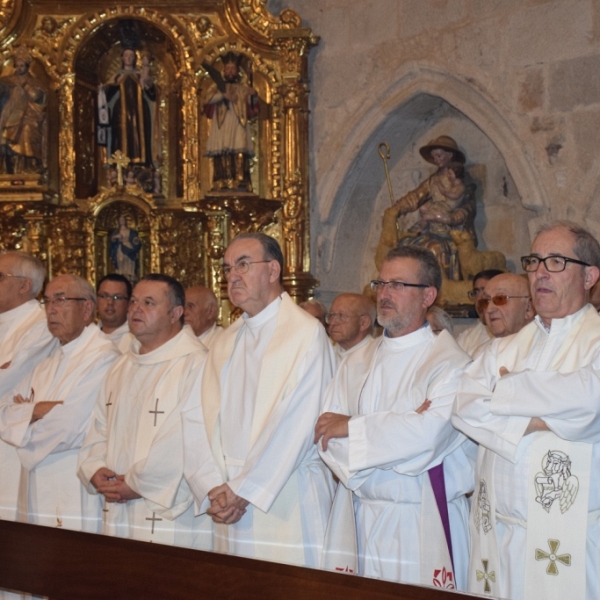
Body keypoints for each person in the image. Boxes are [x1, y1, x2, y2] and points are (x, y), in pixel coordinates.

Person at [452, 221, 600, 600]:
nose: (539, 273)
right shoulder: (505, 347)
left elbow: (589, 399)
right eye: (534, 262)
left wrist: (505, 389)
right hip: (499, 533)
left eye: (555, 262)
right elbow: (464, 406)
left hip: (571, 537)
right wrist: (537, 421)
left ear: (589, 276)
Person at [315, 245, 473, 589]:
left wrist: (353, 427)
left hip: (422, 518)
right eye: (381, 283)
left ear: (428, 295)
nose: (384, 294)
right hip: (362, 516)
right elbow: (326, 438)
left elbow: (428, 437)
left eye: (398, 285)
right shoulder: (355, 362)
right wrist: (400, 429)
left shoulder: (451, 364)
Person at [182, 233, 335, 567]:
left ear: (273, 270)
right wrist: (211, 485)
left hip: (284, 494)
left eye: (243, 264)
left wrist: (244, 490)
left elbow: (296, 423)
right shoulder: (226, 339)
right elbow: (196, 416)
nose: (232, 276)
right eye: (227, 268)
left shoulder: (305, 334)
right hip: (227, 496)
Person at [78, 274, 210, 548]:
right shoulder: (122, 365)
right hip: (116, 503)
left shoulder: (196, 364)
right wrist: (95, 468)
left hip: (166, 509)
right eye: (135, 301)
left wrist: (137, 483)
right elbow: (99, 426)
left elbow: (185, 437)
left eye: (149, 303)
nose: (136, 309)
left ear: (176, 313)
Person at [0, 275, 118, 532]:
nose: (51, 309)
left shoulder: (103, 357)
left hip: (72, 483)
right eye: (47, 301)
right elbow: (3, 412)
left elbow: (69, 427)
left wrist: (23, 419)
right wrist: (38, 410)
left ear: (86, 308)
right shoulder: (48, 357)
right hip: (35, 483)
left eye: (61, 300)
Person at [0, 251, 53, 522]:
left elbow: (7, 380)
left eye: (0, 277)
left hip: (11, 445)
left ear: (24, 285)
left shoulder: (41, 323)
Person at [375, 136, 476, 279]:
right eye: (434, 157)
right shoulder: (433, 180)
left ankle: (441, 286)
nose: (436, 160)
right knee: (406, 246)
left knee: (434, 248)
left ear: (450, 155)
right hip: (432, 228)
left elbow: (468, 208)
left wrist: (450, 219)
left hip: (453, 233)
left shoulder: (463, 181)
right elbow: (415, 197)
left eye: (439, 155)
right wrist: (396, 209)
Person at [203, 52, 259, 192]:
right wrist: (223, 95)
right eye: (228, 69)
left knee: (240, 145)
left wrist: (253, 96)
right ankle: (223, 180)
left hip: (238, 121)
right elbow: (206, 101)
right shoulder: (217, 88)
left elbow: (253, 107)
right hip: (222, 124)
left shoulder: (242, 88)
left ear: (237, 71)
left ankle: (240, 179)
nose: (230, 72)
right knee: (223, 147)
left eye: (233, 69)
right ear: (223, 70)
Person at [99, 48, 158, 167]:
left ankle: (142, 164)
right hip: (121, 111)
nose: (129, 58)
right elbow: (107, 95)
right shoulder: (117, 76)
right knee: (120, 136)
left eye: (131, 56)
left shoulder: (140, 74)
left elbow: (152, 94)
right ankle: (121, 165)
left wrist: (149, 83)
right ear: (122, 58)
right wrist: (102, 89)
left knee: (140, 135)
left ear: (135, 58)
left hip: (140, 110)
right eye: (126, 55)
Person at [0, 46, 47, 175]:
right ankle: (10, 169)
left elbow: (39, 97)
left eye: (22, 66)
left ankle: (29, 167)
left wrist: (26, 87)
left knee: (27, 130)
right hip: (10, 117)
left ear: (27, 67)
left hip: (29, 116)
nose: (20, 68)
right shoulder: (7, 81)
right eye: (18, 65)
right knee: (5, 134)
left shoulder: (34, 82)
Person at [456, 269, 503, 356]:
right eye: (476, 292)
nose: (480, 299)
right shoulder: (466, 338)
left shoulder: (515, 336)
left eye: (486, 291)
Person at [478, 273, 534, 341]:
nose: (489, 309)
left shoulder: (545, 349)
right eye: (485, 301)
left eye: (500, 299)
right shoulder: (478, 350)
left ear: (529, 307)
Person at [326, 292, 376, 364]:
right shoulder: (326, 354)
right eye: (331, 315)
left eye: (342, 316)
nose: (333, 322)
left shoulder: (377, 358)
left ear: (364, 323)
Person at [97, 273, 133, 353]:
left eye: (117, 297)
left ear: (129, 304)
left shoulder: (137, 340)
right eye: (104, 296)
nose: (110, 302)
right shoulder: (87, 337)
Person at [109, 214, 141, 283]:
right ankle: (121, 275)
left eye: (123, 219)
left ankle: (130, 275)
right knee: (121, 260)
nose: (122, 221)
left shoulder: (130, 231)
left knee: (129, 261)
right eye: (120, 220)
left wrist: (136, 240)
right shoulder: (117, 231)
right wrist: (116, 237)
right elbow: (112, 239)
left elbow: (135, 239)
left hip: (128, 247)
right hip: (120, 247)